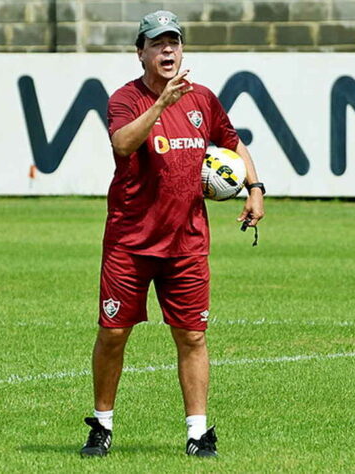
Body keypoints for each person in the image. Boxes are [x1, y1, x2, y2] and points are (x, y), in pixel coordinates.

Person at [80, 10, 265, 458]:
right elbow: (122, 144)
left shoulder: (202, 99)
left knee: (192, 336)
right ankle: (102, 426)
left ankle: (197, 434)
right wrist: (162, 104)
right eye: (157, 43)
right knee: (113, 333)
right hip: (130, 241)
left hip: (186, 242)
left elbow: (232, 141)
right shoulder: (125, 99)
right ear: (140, 52)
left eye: (174, 42)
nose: (168, 50)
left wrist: (255, 188)